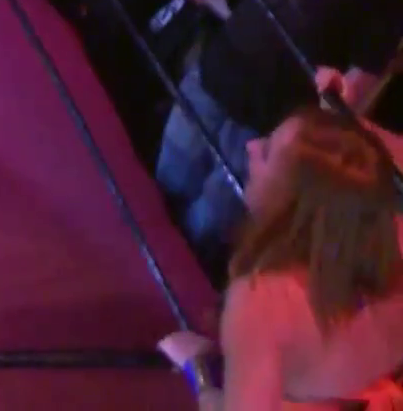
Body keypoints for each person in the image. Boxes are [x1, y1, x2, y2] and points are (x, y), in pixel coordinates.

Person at [158, 0, 403, 265]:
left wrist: (313, 119)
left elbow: (358, 85)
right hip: (219, 71)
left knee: (203, 230)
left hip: (262, 125)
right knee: (164, 181)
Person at [158, 71, 403, 409]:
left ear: (291, 204)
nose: (251, 146)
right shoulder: (387, 246)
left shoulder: (265, 300)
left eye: (267, 153)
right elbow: (367, 167)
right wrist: (341, 115)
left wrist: (199, 368)